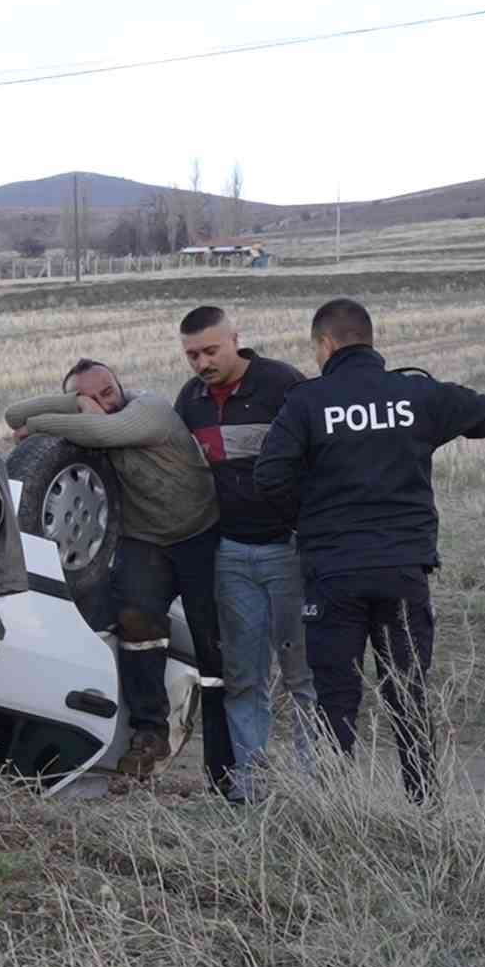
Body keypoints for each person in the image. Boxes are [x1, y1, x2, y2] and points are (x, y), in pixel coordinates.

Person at [253, 298, 485, 803]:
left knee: (337, 700)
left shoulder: (307, 403)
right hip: (402, 570)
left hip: (334, 573)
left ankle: (337, 809)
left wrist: (309, 522)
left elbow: (270, 477)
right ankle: (423, 806)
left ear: (325, 344)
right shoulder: (416, 394)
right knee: (407, 694)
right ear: (369, 340)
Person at [7, 359, 234, 787]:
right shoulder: (88, 410)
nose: (104, 403)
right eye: (90, 397)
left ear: (121, 385)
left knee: (213, 647)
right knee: (136, 622)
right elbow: (12, 415)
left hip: (199, 535)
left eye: (108, 391)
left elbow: (103, 431)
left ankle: (227, 764)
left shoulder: (150, 410)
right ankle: (149, 733)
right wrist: (71, 403)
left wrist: (46, 422)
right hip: (144, 538)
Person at [174, 306, 317, 803]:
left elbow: (324, 452)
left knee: (302, 672)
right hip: (231, 553)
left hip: (290, 550)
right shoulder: (189, 401)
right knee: (242, 676)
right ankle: (250, 787)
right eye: (192, 354)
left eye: (211, 350)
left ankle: (313, 787)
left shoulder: (284, 385)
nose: (201, 363)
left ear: (236, 339)